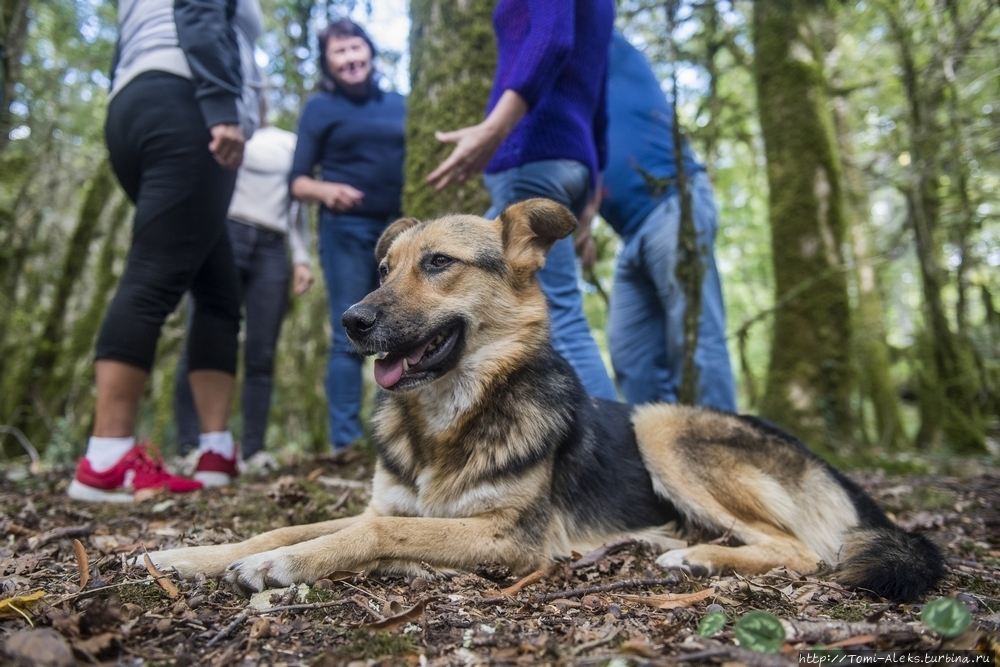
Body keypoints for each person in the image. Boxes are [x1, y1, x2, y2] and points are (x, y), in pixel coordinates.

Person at [68, 0, 262, 502]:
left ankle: (216, 451)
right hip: (188, 102)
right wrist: (221, 105)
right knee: (154, 274)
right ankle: (106, 460)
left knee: (217, 289)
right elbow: (197, 11)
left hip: (138, 102)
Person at [427, 0, 618, 402]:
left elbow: (552, 41)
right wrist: (590, 200)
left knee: (560, 316)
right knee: (468, 277)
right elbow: (599, 101)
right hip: (573, 161)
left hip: (530, 153)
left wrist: (496, 129)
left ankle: (620, 455)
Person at [593, 32, 736, 412]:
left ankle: (725, 458)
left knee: (694, 340)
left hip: (674, 205)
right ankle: (666, 456)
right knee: (630, 355)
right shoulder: (577, 95)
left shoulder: (608, 47)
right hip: (631, 234)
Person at [173, 103, 314, 472]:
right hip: (223, 234)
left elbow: (296, 208)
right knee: (199, 341)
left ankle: (252, 451)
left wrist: (301, 258)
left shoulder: (288, 142)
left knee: (261, 353)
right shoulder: (217, 130)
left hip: (272, 248)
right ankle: (192, 446)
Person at [290, 19, 406, 452]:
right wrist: (326, 190)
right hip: (346, 230)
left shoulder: (400, 103)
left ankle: (394, 436)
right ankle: (346, 442)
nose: (350, 58)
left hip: (398, 232)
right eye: (339, 52)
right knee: (348, 333)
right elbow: (297, 182)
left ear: (370, 52)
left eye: (355, 47)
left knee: (399, 330)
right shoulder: (320, 109)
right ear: (328, 63)